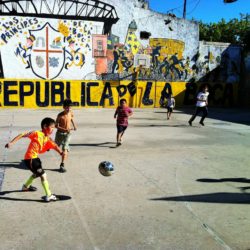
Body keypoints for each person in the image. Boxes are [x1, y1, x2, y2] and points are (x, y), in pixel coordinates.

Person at [5, 117, 65, 202]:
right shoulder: (36, 133)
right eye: (51, 127)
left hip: (35, 158)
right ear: (45, 126)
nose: (53, 130)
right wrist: (12, 142)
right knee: (43, 175)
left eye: (54, 128)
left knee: (37, 174)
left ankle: (25, 187)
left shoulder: (47, 138)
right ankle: (49, 195)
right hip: (30, 158)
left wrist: (61, 152)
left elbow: (54, 146)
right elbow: (22, 134)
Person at [55, 99, 77, 172]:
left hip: (68, 134)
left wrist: (74, 125)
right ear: (63, 107)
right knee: (56, 146)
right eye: (67, 107)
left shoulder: (71, 113)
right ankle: (49, 145)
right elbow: (56, 126)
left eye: (70, 107)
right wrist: (64, 129)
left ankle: (62, 164)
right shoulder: (60, 115)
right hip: (59, 133)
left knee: (65, 148)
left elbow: (72, 119)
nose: (69, 109)